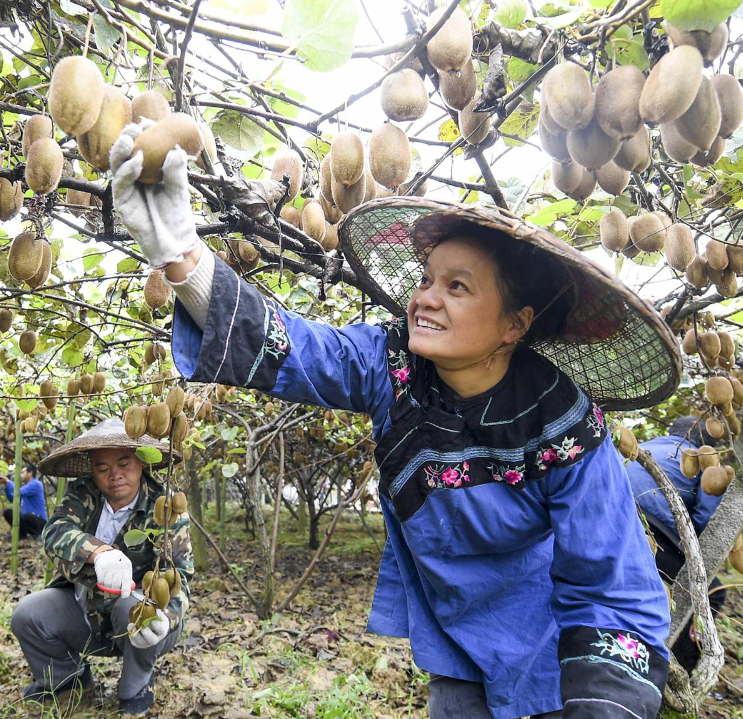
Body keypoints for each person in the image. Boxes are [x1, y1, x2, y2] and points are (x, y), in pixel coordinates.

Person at [108, 125, 683, 719]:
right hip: (453, 634)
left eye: (457, 287)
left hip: (550, 641)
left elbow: (610, 578)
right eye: (427, 279)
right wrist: (178, 250)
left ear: (515, 324)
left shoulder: (561, 417)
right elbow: (295, 348)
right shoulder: (390, 366)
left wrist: (602, 702)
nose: (426, 298)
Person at [10, 419, 194, 714]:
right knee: (27, 615)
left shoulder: (166, 509)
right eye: (103, 468)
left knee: (131, 608)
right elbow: (55, 531)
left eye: (124, 464)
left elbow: (180, 576)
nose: (115, 476)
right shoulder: (83, 494)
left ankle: (136, 687)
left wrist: (167, 617)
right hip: (85, 609)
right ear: (92, 470)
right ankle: (67, 680)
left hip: (134, 617)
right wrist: (98, 552)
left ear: (142, 463)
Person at [623, 416, 726, 669]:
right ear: (707, 446)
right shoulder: (704, 461)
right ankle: (680, 667)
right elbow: (707, 519)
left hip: (609, 531)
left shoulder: (640, 447)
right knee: (712, 591)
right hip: (650, 535)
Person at [4, 462, 48, 540]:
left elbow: (17, 491)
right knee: (8, 512)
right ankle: (21, 534)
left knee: (28, 516)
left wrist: (8, 482)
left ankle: (38, 534)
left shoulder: (36, 484)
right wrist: (6, 486)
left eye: (23, 472)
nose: (20, 475)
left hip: (39, 521)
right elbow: (12, 498)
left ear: (30, 473)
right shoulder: (26, 487)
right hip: (27, 518)